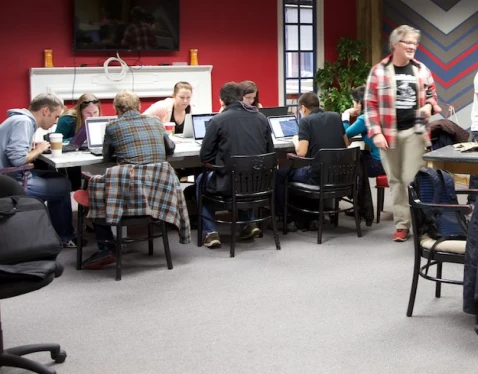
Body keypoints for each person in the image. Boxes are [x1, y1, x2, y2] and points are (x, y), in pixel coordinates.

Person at [78, 90, 176, 269]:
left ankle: (107, 248)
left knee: (96, 192)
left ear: (116, 109)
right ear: (139, 107)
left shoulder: (113, 126)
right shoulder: (156, 121)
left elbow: (106, 156)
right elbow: (170, 148)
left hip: (129, 194)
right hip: (158, 193)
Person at [365, 25, 440, 242]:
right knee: (396, 180)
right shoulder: (378, 71)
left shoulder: (421, 69)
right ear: (395, 44)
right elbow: (369, 105)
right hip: (388, 134)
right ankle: (402, 225)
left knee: (413, 178)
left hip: (414, 132)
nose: (412, 47)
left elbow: (432, 94)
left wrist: (428, 106)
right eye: (408, 42)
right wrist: (376, 132)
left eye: (415, 43)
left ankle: (423, 222)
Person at [199, 82, 274, 249]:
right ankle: (249, 223)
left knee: (200, 181)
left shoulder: (217, 120)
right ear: (241, 98)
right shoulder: (261, 118)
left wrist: (221, 157)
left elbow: (204, 156)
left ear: (221, 101)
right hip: (259, 184)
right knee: (242, 177)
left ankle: (210, 232)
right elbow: (270, 151)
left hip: (229, 185)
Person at [0, 93, 75, 246]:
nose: (55, 122)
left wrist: (33, 150)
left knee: (57, 177)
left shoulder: (17, 119)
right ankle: (63, 237)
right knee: (64, 186)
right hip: (9, 181)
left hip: (8, 175)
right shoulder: (23, 122)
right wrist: (39, 149)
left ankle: (56, 233)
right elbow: (17, 159)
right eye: (55, 116)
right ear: (45, 111)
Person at [274, 92, 348, 226]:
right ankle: (315, 212)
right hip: (341, 174)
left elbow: (301, 153)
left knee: (279, 174)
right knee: (303, 169)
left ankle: (283, 218)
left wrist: (296, 140)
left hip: (317, 176)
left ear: (303, 108)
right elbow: (346, 145)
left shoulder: (305, 121)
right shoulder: (336, 117)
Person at [342, 86, 385, 178]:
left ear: (359, 104)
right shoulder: (380, 113)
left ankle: (355, 191)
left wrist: (345, 115)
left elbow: (344, 134)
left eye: (353, 103)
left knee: (348, 159)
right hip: (390, 163)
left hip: (379, 165)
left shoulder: (364, 118)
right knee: (359, 154)